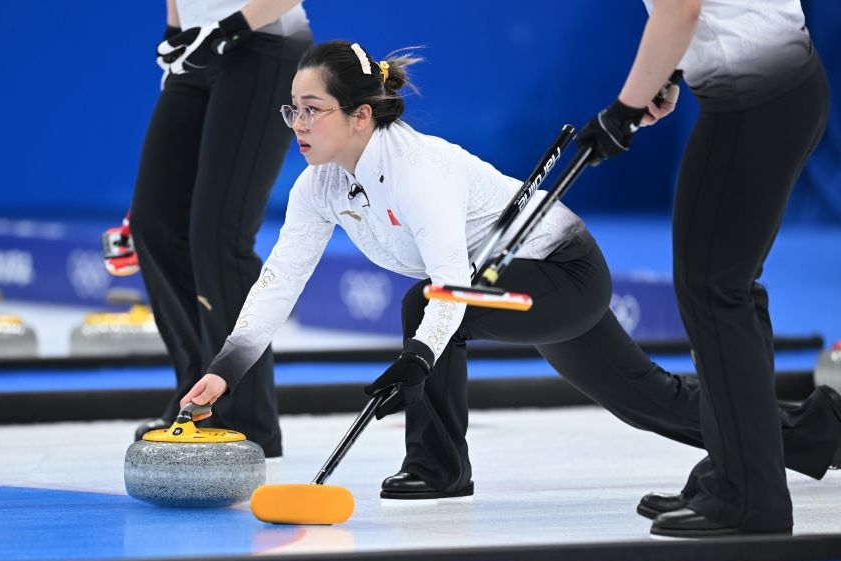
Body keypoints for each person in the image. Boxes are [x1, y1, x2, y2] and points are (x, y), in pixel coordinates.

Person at [180, 40, 841, 511]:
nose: (297, 124)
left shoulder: (414, 171)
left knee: (425, 307)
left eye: (312, 109)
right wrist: (227, 367)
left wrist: (419, 356)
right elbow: (280, 280)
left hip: (563, 271)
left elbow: (449, 282)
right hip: (512, 281)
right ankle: (821, 432)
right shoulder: (319, 186)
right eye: (292, 109)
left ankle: (438, 468)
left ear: (360, 116)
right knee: (649, 402)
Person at [576, 0, 831, 537]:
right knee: (727, 286)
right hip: (777, 89)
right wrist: (669, 70)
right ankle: (737, 470)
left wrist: (623, 111)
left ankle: (749, 496)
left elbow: (680, 11)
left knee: (714, 289)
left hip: (753, 101)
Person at [126, 0, 313, 457]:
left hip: (263, 43)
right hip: (195, 51)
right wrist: (175, 33)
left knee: (219, 237)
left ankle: (246, 418)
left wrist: (229, 27)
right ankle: (196, 397)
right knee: (154, 224)